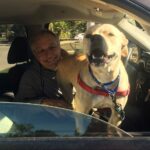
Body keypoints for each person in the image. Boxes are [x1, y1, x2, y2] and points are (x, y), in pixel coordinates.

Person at [15, 30, 71, 108]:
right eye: (41, 51)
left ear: (59, 46)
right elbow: (20, 106)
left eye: (52, 47)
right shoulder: (31, 76)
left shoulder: (75, 66)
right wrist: (43, 102)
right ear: (35, 54)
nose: (49, 55)